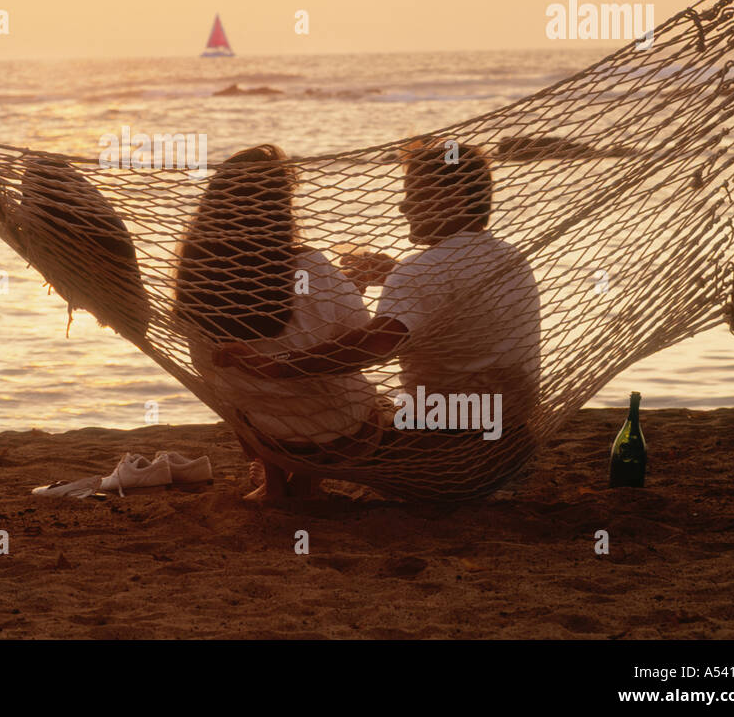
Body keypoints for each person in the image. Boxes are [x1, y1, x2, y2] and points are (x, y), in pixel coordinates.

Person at [215, 138, 541, 486]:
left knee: (346, 407)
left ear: (453, 199)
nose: (404, 207)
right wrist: (395, 275)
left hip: (441, 457)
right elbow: (462, 301)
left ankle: (287, 480)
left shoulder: (420, 273)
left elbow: (368, 347)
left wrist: (277, 366)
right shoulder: (511, 260)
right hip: (509, 447)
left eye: (414, 193)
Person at [172, 144, 383, 502]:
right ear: (281, 210)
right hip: (341, 435)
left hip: (265, 435)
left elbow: (207, 367)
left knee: (238, 388)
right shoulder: (311, 267)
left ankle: (274, 483)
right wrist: (345, 288)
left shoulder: (196, 280)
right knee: (340, 388)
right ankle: (306, 486)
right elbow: (356, 340)